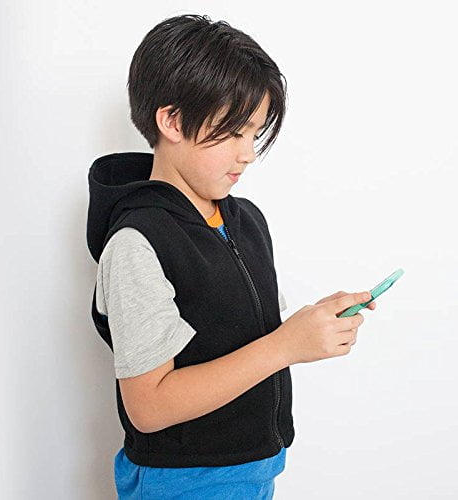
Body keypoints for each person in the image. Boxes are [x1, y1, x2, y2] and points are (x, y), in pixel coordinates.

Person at [86, 13, 376, 499]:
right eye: (234, 132)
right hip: (184, 483)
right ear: (171, 121)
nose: (249, 154)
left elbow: (250, 342)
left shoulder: (246, 221)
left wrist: (311, 326)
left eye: (254, 134)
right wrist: (285, 346)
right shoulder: (137, 242)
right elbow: (149, 407)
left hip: (254, 471)